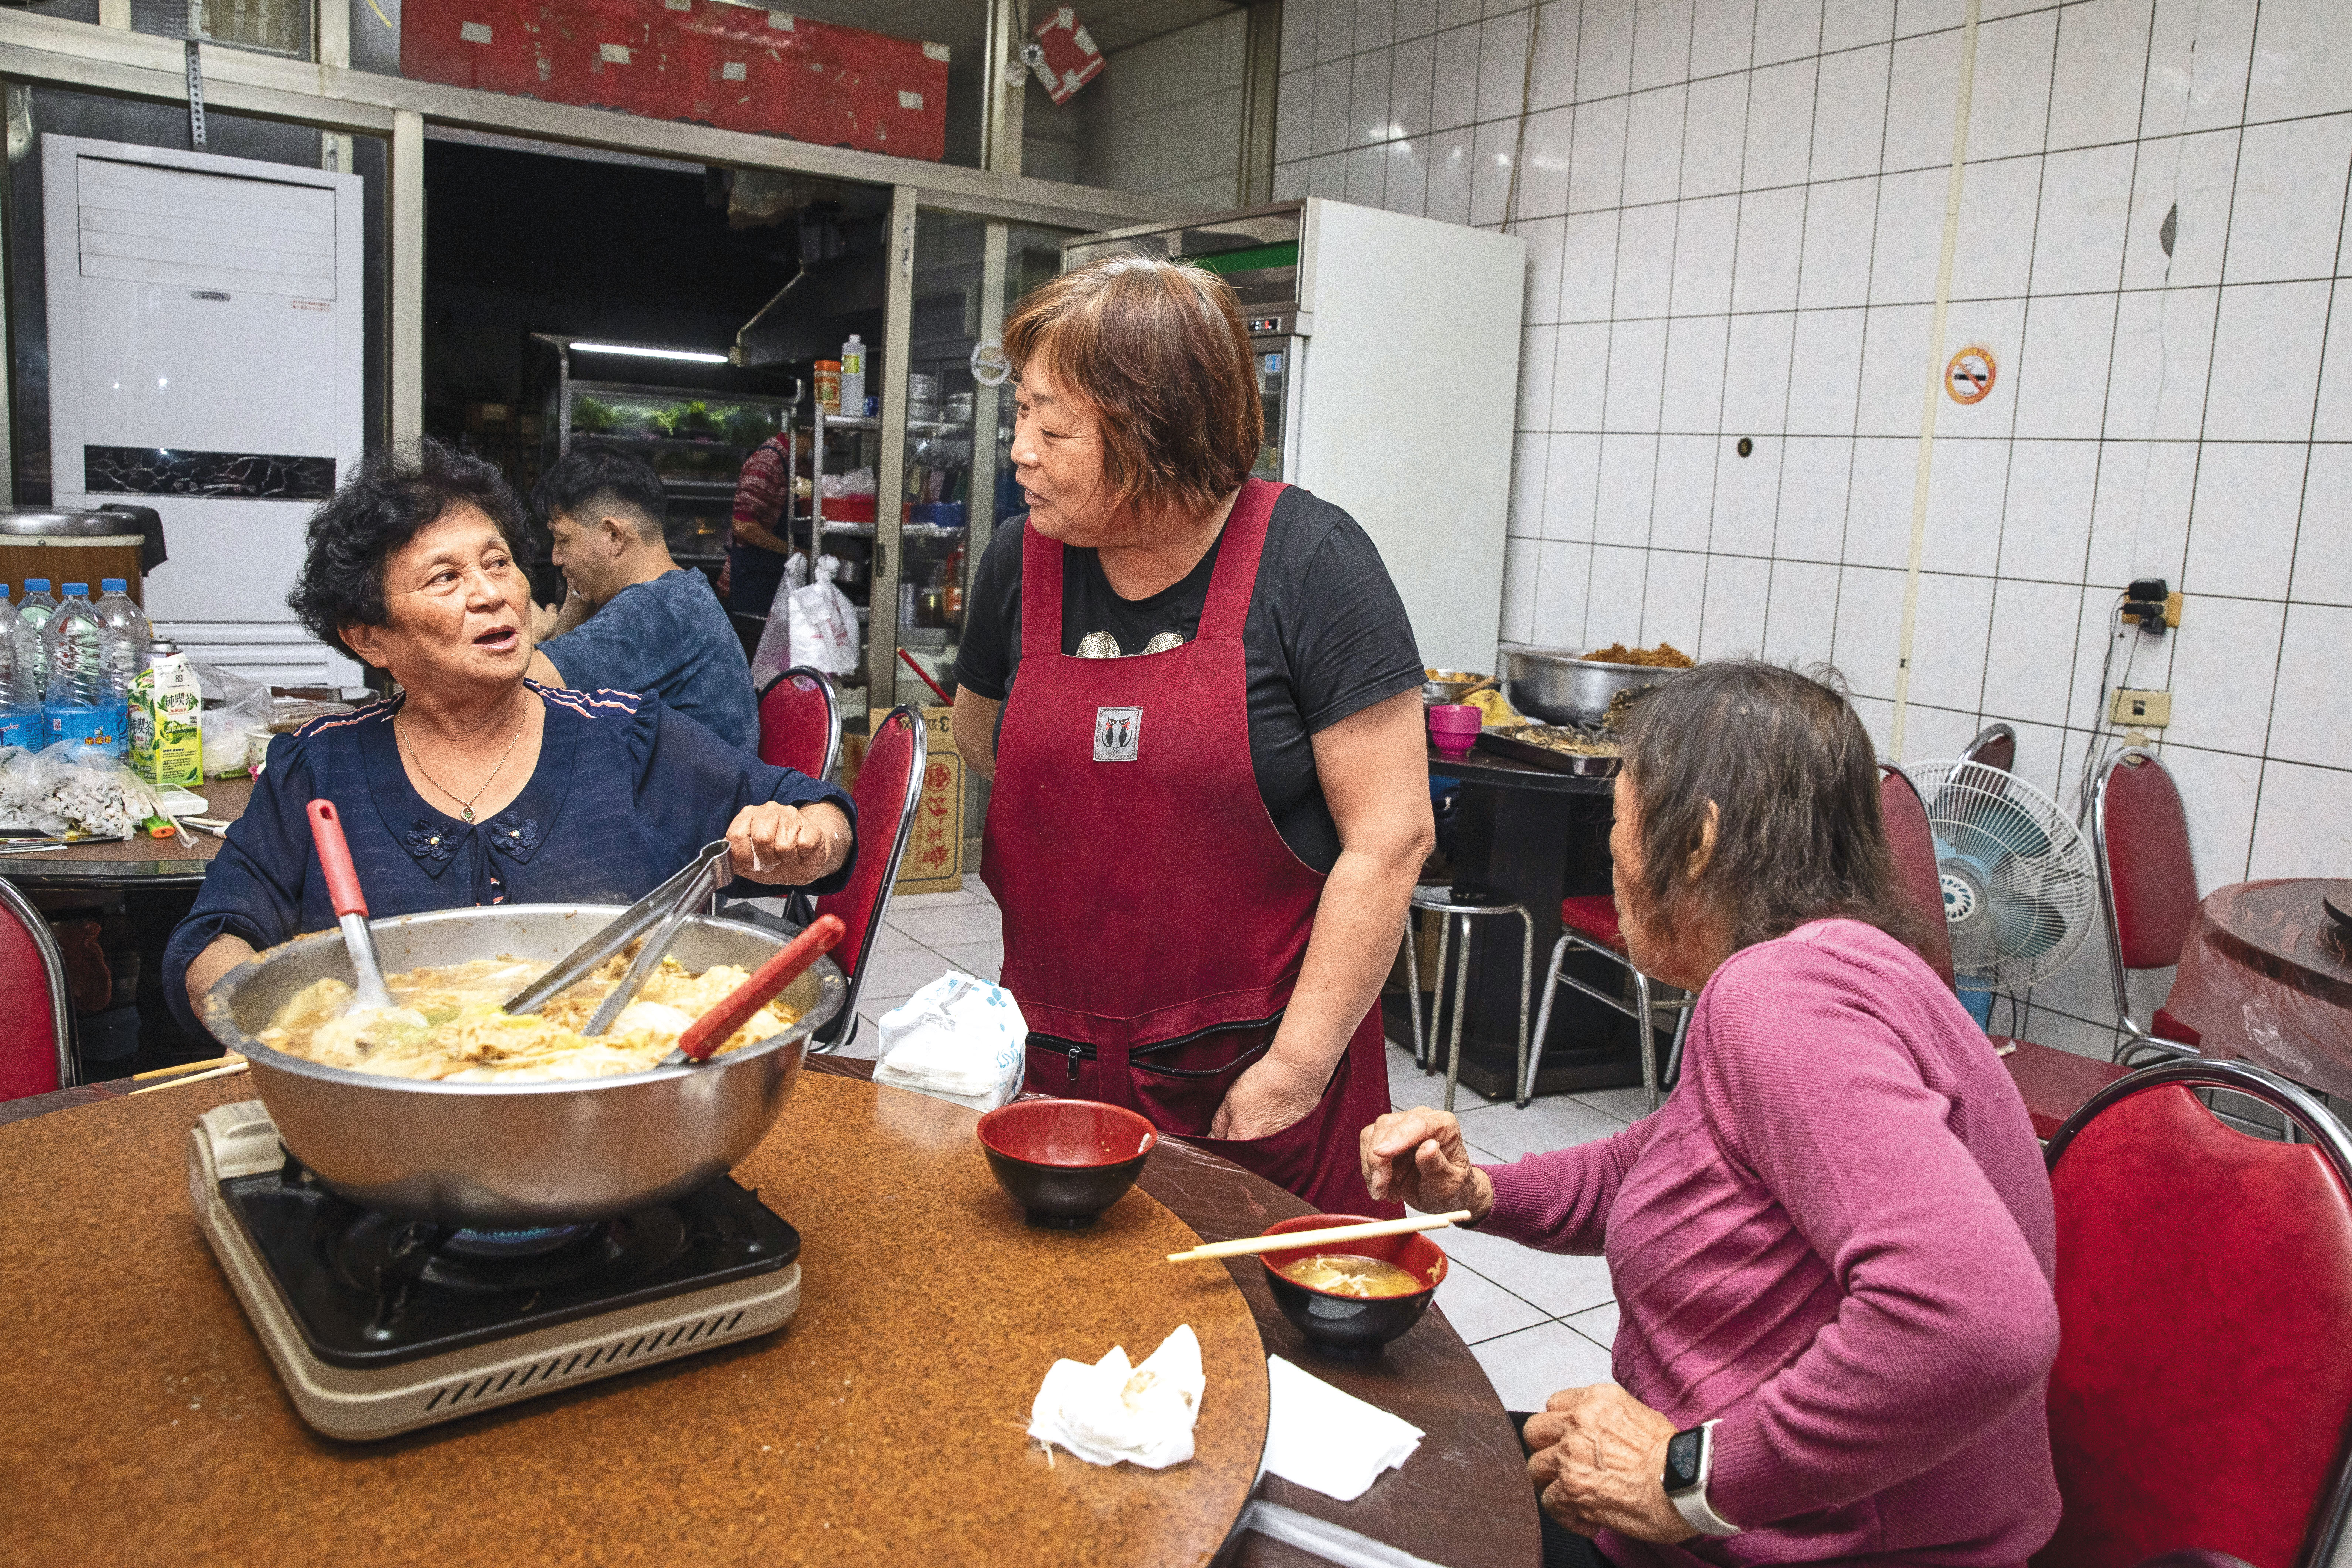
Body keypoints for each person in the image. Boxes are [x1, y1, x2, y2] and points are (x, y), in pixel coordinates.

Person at [1360, 661, 2061, 1568]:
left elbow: (1981, 1322)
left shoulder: (1781, 1003)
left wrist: (1687, 1476)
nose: (1609, 862)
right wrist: (1481, 1189)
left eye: (1616, 830)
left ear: (1696, 844)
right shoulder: (1847, 968)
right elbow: (1662, 1163)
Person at [952, 254, 1434, 1217]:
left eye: (1052, 426)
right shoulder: (1020, 562)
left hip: (1247, 1083)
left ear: (1150, 435)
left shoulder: (1313, 564)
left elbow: (1391, 837)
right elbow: (979, 738)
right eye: (1020, 419)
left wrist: (1295, 1069)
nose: (1020, 451)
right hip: (1056, 1068)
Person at [167, 439, 855, 1036]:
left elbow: (819, 812)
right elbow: (213, 940)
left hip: (612, 1098)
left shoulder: (624, 736)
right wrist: (305, 1031)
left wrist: (806, 839)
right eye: (446, 577)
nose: (493, 594)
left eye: (498, 563)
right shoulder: (318, 766)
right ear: (368, 635)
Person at [520, 447, 758, 753]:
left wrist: (533, 633)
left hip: (691, 800)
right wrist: (575, 603)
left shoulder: (655, 610)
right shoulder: (683, 592)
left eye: (563, 539)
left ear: (614, 537)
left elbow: (513, 693)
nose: (556, 558)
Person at [726, 425, 800, 626]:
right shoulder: (769, 462)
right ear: (810, 432)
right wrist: (793, 551)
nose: (829, 446)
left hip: (771, 579)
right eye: (828, 439)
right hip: (753, 582)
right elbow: (743, 526)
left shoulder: (790, 463)